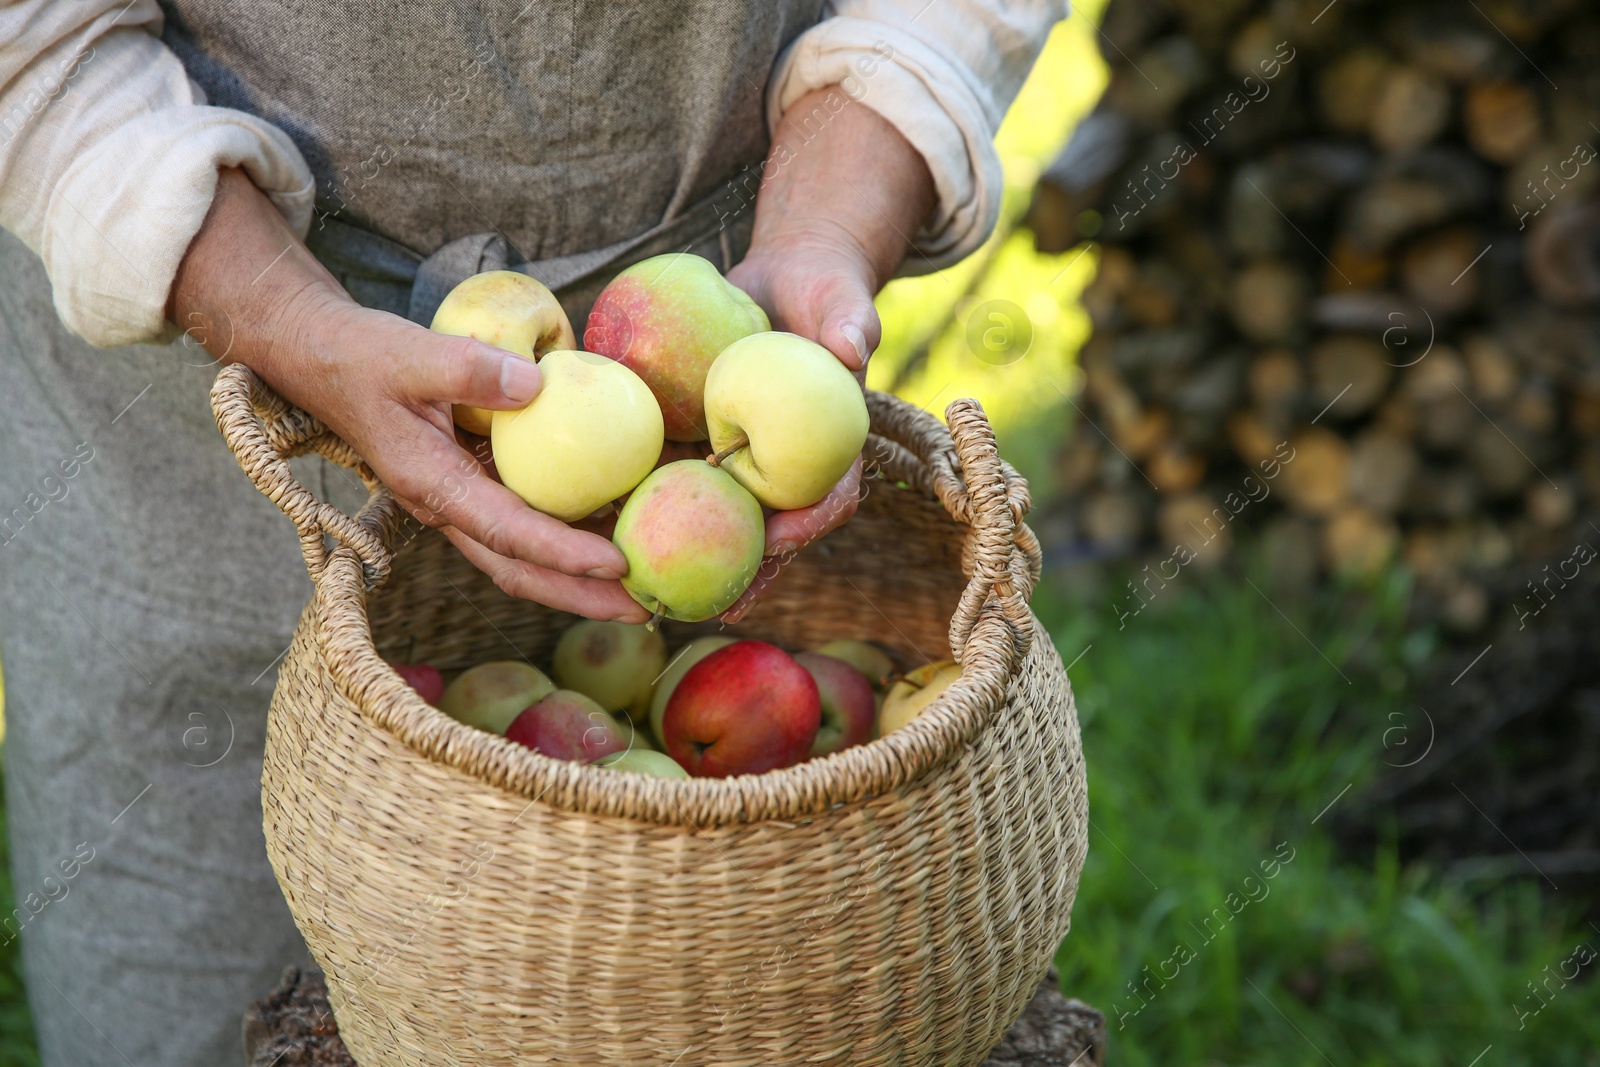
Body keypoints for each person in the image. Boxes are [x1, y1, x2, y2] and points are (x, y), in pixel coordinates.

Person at [0, 1, 1066, 1063]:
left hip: (714, 319)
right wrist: (280, 315)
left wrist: (824, 228)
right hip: (182, 388)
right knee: (175, 979)